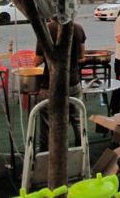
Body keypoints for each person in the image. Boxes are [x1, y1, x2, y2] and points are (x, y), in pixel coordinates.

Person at [34, 19, 87, 151]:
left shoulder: (45, 29)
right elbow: (81, 56)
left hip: (50, 84)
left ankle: (45, 155)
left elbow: (38, 60)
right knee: (77, 120)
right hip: (73, 82)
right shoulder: (78, 28)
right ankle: (81, 154)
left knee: (47, 123)